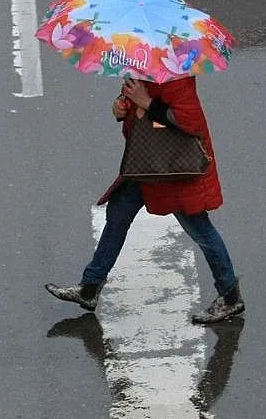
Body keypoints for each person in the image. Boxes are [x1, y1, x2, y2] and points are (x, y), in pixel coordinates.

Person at [45, 76, 243, 324]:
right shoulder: (140, 69)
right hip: (148, 166)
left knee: (201, 230)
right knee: (118, 214)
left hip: (175, 171)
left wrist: (147, 103)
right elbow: (135, 118)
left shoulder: (176, 76)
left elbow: (189, 122)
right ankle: (90, 287)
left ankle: (230, 296)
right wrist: (121, 108)